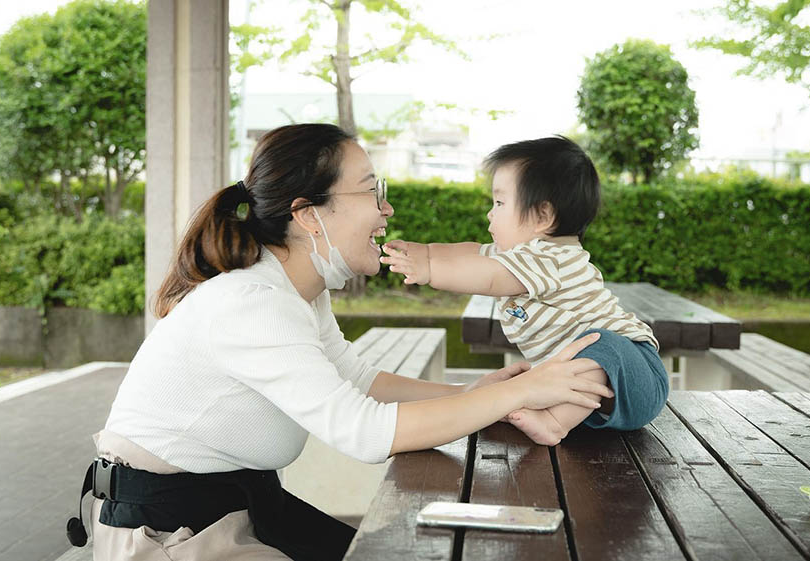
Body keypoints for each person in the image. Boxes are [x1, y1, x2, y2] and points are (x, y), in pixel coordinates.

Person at [64, 124, 614, 561]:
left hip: (232, 510)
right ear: (308, 215)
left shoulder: (296, 290)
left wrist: (475, 390)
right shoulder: (251, 303)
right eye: (372, 190)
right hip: (167, 535)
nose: (386, 209)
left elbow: (357, 380)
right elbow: (363, 431)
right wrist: (514, 396)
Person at [381, 135, 669, 447]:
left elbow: (489, 278)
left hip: (636, 376)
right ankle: (554, 409)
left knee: (603, 344)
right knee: (558, 370)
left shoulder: (551, 258)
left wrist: (429, 271)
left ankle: (554, 422)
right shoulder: (521, 256)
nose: (491, 213)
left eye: (500, 203)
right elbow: (472, 253)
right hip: (596, 400)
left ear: (543, 217)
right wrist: (424, 251)